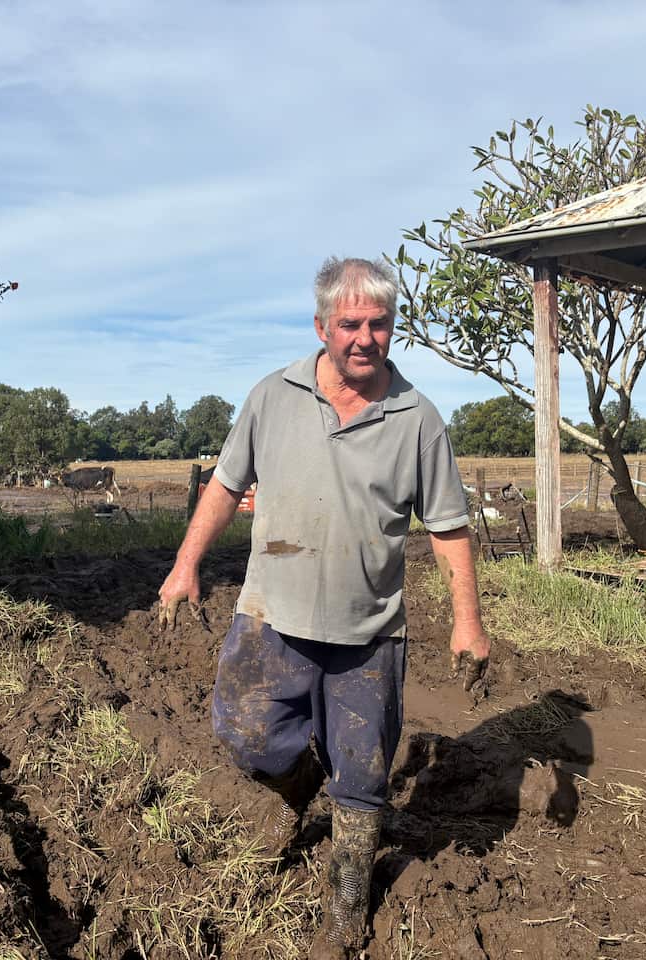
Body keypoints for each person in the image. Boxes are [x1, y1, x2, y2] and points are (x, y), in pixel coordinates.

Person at [157, 257, 491, 958]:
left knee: (365, 774)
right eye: (350, 324)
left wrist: (467, 621)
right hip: (270, 613)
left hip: (369, 630)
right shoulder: (271, 396)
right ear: (322, 327)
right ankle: (300, 781)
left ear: (392, 328)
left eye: (379, 324)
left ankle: (345, 908)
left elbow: (448, 527)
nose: (365, 338)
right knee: (245, 732)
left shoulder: (418, 419)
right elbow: (223, 486)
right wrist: (185, 566)